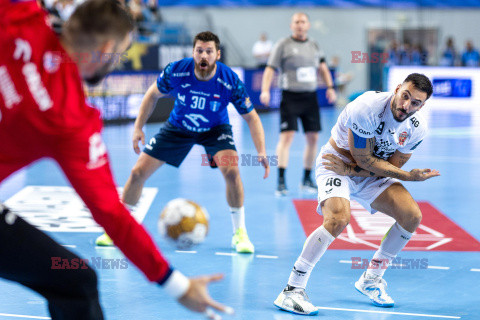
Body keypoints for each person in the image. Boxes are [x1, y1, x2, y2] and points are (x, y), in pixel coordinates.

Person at [0, 1, 232, 319]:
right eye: (120, 52)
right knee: (77, 283)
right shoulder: (69, 121)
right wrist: (177, 285)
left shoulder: (20, 14)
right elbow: (113, 216)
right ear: (106, 48)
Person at [274, 73, 440, 315]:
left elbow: (389, 166)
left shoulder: (417, 128)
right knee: (338, 218)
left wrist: (387, 172)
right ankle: (292, 290)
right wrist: (407, 177)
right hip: (336, 164)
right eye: (405, 96)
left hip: (365, 173)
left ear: (422, 105)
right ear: (397, 89)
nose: (407, 106)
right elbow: (365, 158)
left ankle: (371, 279)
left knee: (411, 216)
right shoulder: (367, 107)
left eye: (415, 102)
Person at [95, 31, 269, 254]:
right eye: (199, 51)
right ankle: (116, 229)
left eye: (208, 51)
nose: (203, 56)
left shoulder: (230, 80)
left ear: (218, 54)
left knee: (232, 173)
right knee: (138, 172)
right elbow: (151, 95)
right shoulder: (177, 70)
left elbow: (252, 117)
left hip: (215, 130)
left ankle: (240, 234)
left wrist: (261, 150)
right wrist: (138, 127)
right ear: (193, 52)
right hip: (178, 127)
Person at [260, 12, 336, 196]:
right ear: (291, 25)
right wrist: (265, 90)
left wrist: (330, 87)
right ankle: (281, 180)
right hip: (290, 97)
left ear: (308, 25)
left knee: (313, 138)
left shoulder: (314, 45)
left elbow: (323, 68)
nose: (300, 25)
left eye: (303, 22)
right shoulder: (283, 45)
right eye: (296, 22)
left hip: (310, 97)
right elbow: (270, 69)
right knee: (286, 137)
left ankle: (307, 179)